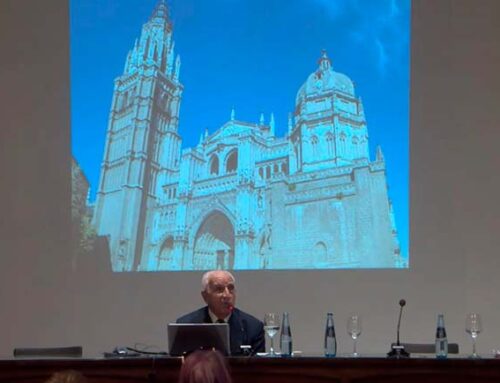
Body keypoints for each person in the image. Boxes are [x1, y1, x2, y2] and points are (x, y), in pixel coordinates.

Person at [177, 270, 265, 355]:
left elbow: (258, 368)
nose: (227, 295)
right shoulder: (185, 326)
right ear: (205, 296)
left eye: (231, 289)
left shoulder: (253, 328)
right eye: (219, 289)